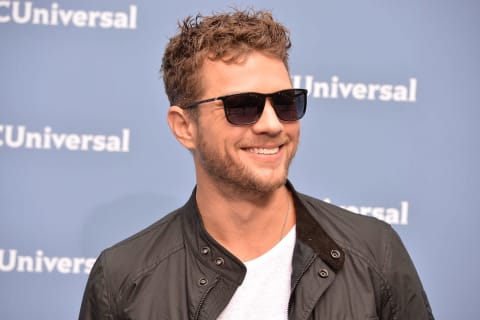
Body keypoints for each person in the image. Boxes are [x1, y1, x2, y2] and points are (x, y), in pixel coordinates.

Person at [79, 9, 434, 320]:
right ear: (185, 127)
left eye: (285, 103)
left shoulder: (375, 251)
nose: (272, 124)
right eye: (242, 106)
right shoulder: (122, 280)